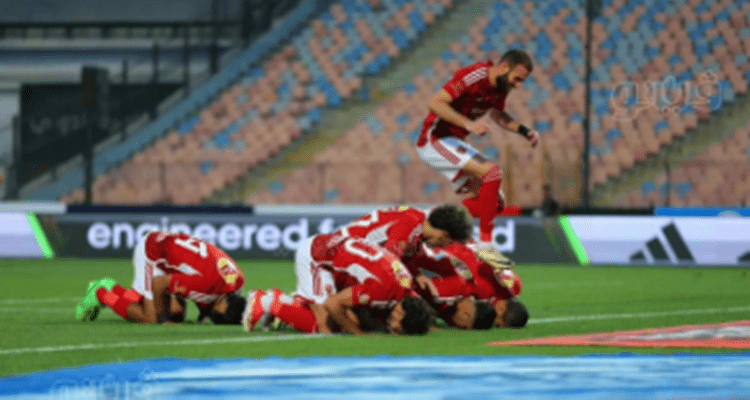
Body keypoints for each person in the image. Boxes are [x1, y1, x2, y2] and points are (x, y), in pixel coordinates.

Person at [417, 50, 539, 246]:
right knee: (492, 173)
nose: (518, 86)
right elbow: (436, 103)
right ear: (504, 67)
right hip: (435, 139)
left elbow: (497, 114)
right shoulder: (474, 76)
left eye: (521, 81)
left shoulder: (501, 86)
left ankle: (428, 221)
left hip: (454, 141)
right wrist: (468, 124)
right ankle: (486, 243)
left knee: (494, 204)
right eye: (517, 79)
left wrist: (524, 130)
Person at [244, 236, 434, 335]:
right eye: (398, 328)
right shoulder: (383, 290)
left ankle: (295, 305)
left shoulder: (405, 288)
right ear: (400, 312)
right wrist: (358, 334)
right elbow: (333, 304)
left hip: (337, 255)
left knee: (352, 319)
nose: (395, 331)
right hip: (317, 258)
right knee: (324, 327)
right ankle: (269, 301)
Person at [75, 231, 246, 324]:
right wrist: (164, 320)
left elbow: (205, 288)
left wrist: (203, 315)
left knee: (177, 314)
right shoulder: (207, 286)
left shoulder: (237, 281)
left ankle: (112, 287)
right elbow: (159, 283)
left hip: (172, 251)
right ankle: (101, 293)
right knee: (151, 317)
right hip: (153, 253)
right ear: (222, 302)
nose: (216, 319)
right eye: (219, 316)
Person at [409, 241, 528, 328]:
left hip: (460, 245)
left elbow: (502, 264)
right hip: (446, 252)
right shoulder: (483, 292)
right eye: (498, 323)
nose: (494, 323)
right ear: (501, 310)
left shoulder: (514, 287)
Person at [332, 204, 474, 263]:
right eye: (448, 243)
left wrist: (417, 276)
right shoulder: (409, 224)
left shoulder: (417, 229)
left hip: (347, 253)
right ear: (444, 234)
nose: (443, 247)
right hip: (336, 252)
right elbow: (389, 265)